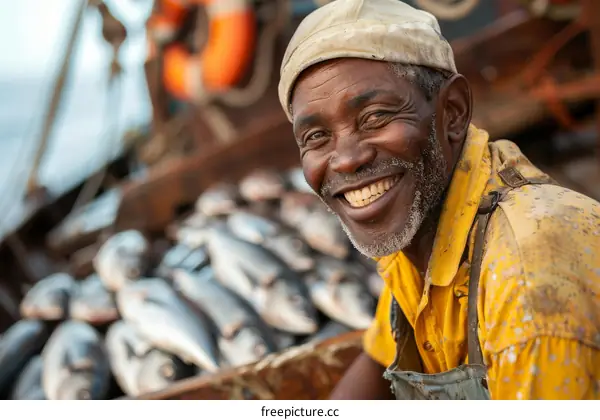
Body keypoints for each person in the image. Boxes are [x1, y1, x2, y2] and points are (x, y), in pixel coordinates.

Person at [277, 0, 600, 400]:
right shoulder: (421, 225)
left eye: (376, 117)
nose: (346, 159)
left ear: (453, 111)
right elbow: (379, 362)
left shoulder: (528, 283)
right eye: (316, 137)